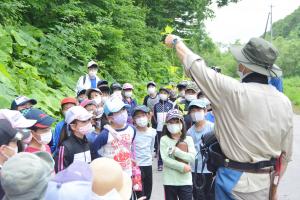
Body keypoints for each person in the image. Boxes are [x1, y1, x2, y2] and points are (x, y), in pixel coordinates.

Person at [165, 35, 293, 199]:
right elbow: (285, 155)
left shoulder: (232, 91)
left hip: (235, 182)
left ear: (245, 67)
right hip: (265, 182)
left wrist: (176, 42)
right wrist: (274, 187)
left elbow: (196, 66)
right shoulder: (284, 101)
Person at [91, 97, 136, 176]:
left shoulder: (132, 129)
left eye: (123, 109)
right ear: (109, 118)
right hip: (111, 176)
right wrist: (104, 164)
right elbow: (93, 150)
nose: (123, 113)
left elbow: (130, 145)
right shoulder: (105, 134)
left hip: (128, 173)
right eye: (118, 111)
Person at [160, 109, 196, 200]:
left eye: (177, 122)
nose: (174, 124)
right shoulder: (164, 139)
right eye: (171, 122)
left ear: (182, 123)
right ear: (167, 124)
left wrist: (177, 152)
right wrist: (182, 166)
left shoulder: (188, 139)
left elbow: (192, 157)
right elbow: (165, 159)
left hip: (185, 181)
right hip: (169, 181)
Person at [187, 99, 214, 200]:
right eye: (193, 111)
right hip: (194, 169)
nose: (195, 113)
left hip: (209, 169)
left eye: (198, 110)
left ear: (205, 111)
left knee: (209, 196)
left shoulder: (212, 128)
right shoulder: (189, 132)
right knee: (197, 195)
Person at [55, 106, 93, 172]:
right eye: (84, 121)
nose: (88, 123)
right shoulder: (65, 147)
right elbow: (60, 173)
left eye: (89, 120)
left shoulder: (89, 143)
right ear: (73, 126)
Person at [132, 105, 156, 200]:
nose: (141, 118)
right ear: (133, 119)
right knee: (140, 194)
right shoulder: (132, 132)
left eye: (143, 115)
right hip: (136, 167)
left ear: (148, 116)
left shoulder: (152, 132)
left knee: (148, 192)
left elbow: (151, 148)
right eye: (137, 116)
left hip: (148, 165)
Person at [153, 87, 177, 171]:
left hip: (169, 127)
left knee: (170, 144)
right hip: (159, 128)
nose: (163, 94)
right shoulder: (156, 105)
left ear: (168, 95)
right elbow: (155, 117)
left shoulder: (171, 105)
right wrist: (158, 125)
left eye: (165, 93)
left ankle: (170, 162)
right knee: (160, 145)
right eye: (161, 92)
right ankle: (160, 163)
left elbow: (174, 116)